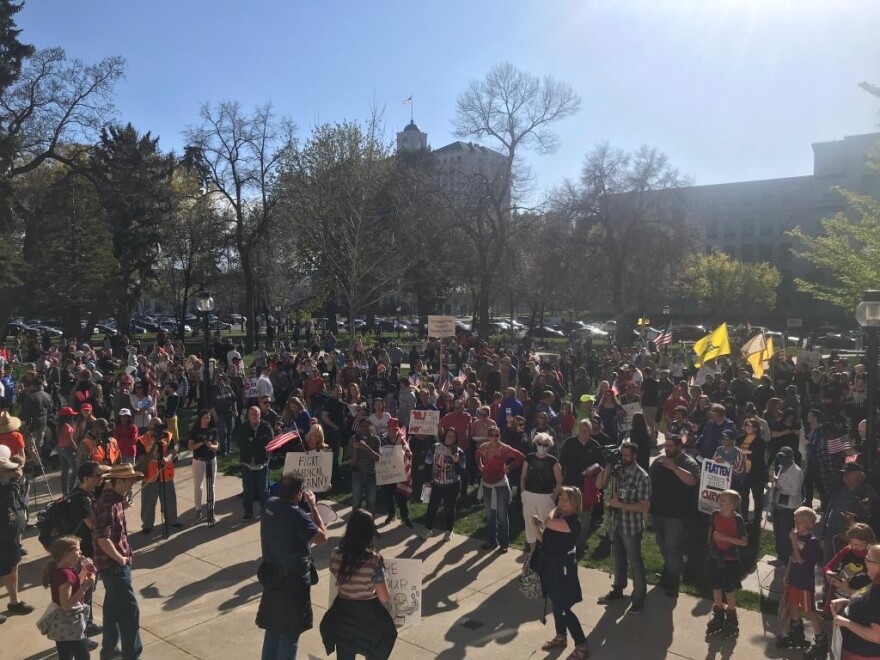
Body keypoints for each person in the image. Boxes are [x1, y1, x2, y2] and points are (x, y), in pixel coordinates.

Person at [257, 475, 328, 660]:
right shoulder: (298, 516)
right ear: (298, 494)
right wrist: (313, 506)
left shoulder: (269, 505)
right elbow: (322, 538)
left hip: (272, 578)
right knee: (289, 635)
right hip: (294, 583)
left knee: (272, 630)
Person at [320, 510, 397, 660]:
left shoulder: (335, 554)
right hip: (368, 617)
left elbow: (338, 575)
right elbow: (384, 596)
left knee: (345, 653)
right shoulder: (374, 561)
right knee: (376, 647)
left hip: (343, 614)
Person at [93, 463, 144, 659]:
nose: (132, 484)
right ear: (119, 481)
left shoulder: (114, 500)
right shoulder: (108, 503)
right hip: (114, 567)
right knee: (130, 613)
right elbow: (102, 538)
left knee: (113, 611)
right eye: (130, 480)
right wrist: (121, 559)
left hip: (114, 566)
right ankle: (132, 655)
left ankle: (109, 651)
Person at [532, 486, 589, 660]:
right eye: (560, 499)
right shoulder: (560, 518)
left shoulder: (573, 522)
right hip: (551, 566)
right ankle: (561, 636)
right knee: (556, 604)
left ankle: (581, 645)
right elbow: (546, 540)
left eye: (565, 500)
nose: (561, 502)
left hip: (563, 570)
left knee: (564, 608)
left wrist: (553, 510)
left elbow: (548, 522)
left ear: (575, 503)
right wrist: (536, 528)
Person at [596, 441, 651, 613]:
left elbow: (644, 507)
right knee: (618, 557)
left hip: (631, 526)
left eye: (627, 455)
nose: (624, 458)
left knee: (635, 561)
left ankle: (639, 597)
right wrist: (608, 465)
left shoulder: (642, 477)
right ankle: (618, 589)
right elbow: (599, 484)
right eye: (622, 455)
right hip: (616, 523)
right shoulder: (616, 470)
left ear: (635, 456)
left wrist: (620, 504)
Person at [649, 433, 700, 597]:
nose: (667, 449)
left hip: (677, 516)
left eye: (671, 446)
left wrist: (673, 467)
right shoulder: (658, 462)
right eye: (666, 446)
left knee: (674, 548)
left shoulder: (689, 463)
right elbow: (650, 483)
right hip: (658, 513)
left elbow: (693, 481)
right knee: (663, 544)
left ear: (679, 446)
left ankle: (674, 580)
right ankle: (669, 570)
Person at [66, 461, 108, 637]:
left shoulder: (83, 494)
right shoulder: (81, 499)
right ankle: (82, 628)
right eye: (97, 476)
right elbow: (92, 525)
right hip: (82, 553)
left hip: (83, 551)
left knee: (85, 589)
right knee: (83, 590)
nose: (100, 479)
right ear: (85, 478)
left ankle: (86, 624)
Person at [776, 507, 824, 654]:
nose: (797, 524)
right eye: (796, 520)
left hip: (804, 582)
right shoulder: (798, 536)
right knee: (792, 604)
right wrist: (787, 574)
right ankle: (796, 631)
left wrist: (794, 542)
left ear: (810, 524)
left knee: (809, 611)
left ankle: (820, 638)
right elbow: (792, 558)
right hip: (794, 579)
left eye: (801, 522)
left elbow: (801, 560)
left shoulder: (812, 541)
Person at [41, 535, 96, 660]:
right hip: (69, 623)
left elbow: (73, 587)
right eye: (77, 550)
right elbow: (66, 605)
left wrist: (84, 572)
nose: (81, 552)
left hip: (62, 625)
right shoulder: (65, 575)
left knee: (65, 655)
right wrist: (86, 586)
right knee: (83, 656)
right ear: (66, 554)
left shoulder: (62, 570)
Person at [559, 418, 605, 558]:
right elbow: (561, 462)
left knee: (584, 517)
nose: (584, 432)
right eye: (582, 429)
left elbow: (601, 465)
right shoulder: (570, 443)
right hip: (569, 485)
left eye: (587, 430)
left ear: (591, 431)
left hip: (587, 488)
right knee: (566, 513)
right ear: (578, 430)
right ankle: (564, 542)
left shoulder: (595, 445)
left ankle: (579, 544)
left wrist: (593, 469)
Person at [705, 489, 748, 639]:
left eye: (723, 500)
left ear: (731, 505)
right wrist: (711, 544)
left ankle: (731, 616)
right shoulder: (715, 515)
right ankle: (718, 612)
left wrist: (724, 538)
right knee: (716, 586)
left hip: (730, 560)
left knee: (728, 589)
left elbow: (743, 541)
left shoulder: (738, 520)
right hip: (715, 557)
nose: (719, 502)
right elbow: (711, 532)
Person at [476, 423, 525, 553]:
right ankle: (491, 541)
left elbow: (520, 457)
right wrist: (480, 465)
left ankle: (504, 543)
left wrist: (509, 467)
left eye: (496, 435)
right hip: (487, 484)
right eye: (491, 435)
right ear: (488, 436)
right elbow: (477, 455)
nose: (494, 437)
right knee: (490, 515)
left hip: (500, 485)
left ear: (499, 436)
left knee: (502, 515)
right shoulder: (484, 447)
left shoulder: (504, 448)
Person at [830, 542, 880, 660]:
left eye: (868, 560)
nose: (865, 562)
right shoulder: (874, 582)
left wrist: (846, 622)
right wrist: (847, 602)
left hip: (863, 655)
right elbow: (867, 605)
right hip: (851, 650)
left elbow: (877, 636)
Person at [0, 444, 32, 622]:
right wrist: (14, 482)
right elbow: (6, 502)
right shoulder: (7, 487)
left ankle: (14, 601)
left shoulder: (8, 484)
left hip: (11, 536)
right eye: (6, 470)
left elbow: (17, 504)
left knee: (13, 567)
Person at [135, 418, 180, 535]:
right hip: (150, 476)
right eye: (154, 426)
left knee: (170, 500)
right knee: (148, 503)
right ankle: (147, 525)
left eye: (158, 426)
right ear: (149, 427)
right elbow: (141, 459)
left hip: (166, 474)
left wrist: (166, 458)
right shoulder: (142, 440)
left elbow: (172, 450)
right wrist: (153, 456)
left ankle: (172, 520)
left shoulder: (168, 435)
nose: (156, 429)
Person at [420, 427, 467, 542]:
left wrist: (456, 462)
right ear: (444, 436)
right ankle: (428, 528)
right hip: (436, 483)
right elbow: (428, 464)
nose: (450, 438)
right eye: (448, 435)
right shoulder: (435, 447)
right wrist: (427, 480)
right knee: (432, 507)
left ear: (456, 439)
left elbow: (462, 471)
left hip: (452, 484)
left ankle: (448, 530)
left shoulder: (459, 451)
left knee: (449, 508)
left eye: (453, 436)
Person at [520, 431, 563, 553]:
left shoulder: (553, 461)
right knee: (530, 526)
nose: (542, 447)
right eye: (539, 443)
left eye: (545, 445)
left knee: (546, 526)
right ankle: (533, 553)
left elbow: (560, 481)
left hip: (546, 497)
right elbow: (523, 477)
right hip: (529, 495)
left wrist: (553, 497)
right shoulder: (529, 458)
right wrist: (523, 493)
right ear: (535, 443)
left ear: (549, 446)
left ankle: (546, 553)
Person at [235, 406, 273, 520]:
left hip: (262, 464)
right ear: (248, 415)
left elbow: (269, 441)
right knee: (247, 490)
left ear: (260, 415)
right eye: (252, 414)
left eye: (256, 414)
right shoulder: (243, 427)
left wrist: (253, 441)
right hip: (247, 465)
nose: (254, 416)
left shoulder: (266, 426)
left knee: (264, 491)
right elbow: (240, 442)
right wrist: (258, 443)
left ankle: (265, 511)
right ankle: (248, 513)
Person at [771, 446, 804, 565]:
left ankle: (788, 560)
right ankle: (780, 556)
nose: (781, 460)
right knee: (778, 532)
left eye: (784, 457)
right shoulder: (780, 467)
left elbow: (794, 491)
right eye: (779, 457)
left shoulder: (797, 471)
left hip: (789, 507)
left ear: (791, 458)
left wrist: (778, 483)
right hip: (778, 504)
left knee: (786, 534)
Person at [188, 410, 219, 524]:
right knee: (198, 485)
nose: (207, 420)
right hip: (198, 460)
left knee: (212, 485)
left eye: (208, 418)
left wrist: (212, 446)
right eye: (205, 418)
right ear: (200, 418)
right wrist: (201, 443)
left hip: (211, 459)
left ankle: (211, 510)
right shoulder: (195, 431)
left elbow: (217, 445)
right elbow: (190, 446)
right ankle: (198, 510)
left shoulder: (213, 430)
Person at [350, 418, 381, 514]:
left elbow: (378, 458)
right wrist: (355, 448)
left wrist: (367, 448)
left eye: (366, 426)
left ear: (370, 427)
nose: (364, 428)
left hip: (371, 474)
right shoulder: (353, 439)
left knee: (371, 502)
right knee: (356, 502)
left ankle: (370, 525)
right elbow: (352, 461)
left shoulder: (376, 439)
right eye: (362, 426)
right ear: (359, 427)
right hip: (357, 474)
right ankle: (355, 525)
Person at [57, 406, 79, 495]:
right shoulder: (67, 426)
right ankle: (71, 490)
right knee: (75, 469)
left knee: (64, 471)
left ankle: (64, 492)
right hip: (67, 449)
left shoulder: (59, 425)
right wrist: (78, 450)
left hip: (60, 449)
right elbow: (71, 441)